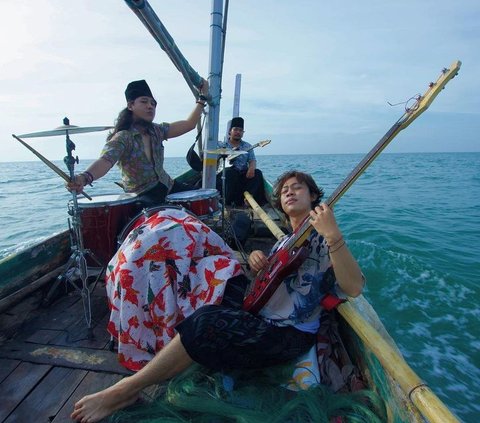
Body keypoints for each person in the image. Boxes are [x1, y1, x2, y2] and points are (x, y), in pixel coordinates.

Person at [71, 170, 364, 423]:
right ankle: (166, 338)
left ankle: (126, 390)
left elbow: (354, 287)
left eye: (297, 187)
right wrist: (257, 260)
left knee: (205, 323)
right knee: (213, 275)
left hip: (286, 334)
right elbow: (267, 282)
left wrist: (334, 236)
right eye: (284, 190)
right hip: (259, 312)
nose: (289, 192)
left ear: (313, 196)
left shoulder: (324, 237)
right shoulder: (286, 241)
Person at [67, 79, 209, 207]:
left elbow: (189, 124)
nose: (150, 106)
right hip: (142, 196)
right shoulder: (123, 137)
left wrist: (202, 99)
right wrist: (84, 178)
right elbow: (105, 161)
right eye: (144, 101)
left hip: (168, 186)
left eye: (153, 103)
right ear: (130, 105)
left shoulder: (157, 130)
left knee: (205, 198)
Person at [216, 116, 267, 207]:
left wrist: (251, 169)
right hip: (225, 176)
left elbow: (252, 160)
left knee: (258, 173)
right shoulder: (221, 145)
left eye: (240, 130)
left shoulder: (247, 145)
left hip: (242, 174)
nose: (238, 132)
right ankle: (228, 202)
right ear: (230, 131)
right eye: (235, 129)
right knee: (230, 173)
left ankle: (249, 201)